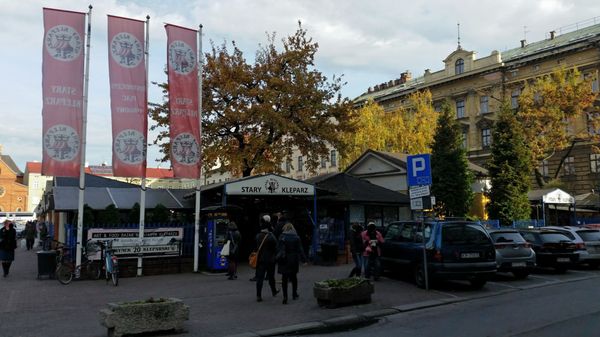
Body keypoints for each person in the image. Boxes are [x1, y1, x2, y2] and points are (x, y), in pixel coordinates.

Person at [276, 223, 307, 304]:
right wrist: (304, 260)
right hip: (293, 259)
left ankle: (285, 297)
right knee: (294, 278)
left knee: (284, 279)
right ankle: (294, 294)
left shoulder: (281, 237)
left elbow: (278, 249)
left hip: (284, 259)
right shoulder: (296, 237)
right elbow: (300, 250)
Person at [255, 220, 279, 302]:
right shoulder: (271, 236)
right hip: (270, 260)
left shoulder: (258, 236)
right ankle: (274, 291)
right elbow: (276, 247)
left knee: (260, 278)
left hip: (261, 259)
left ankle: (258, 295)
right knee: (271, 277)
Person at [250, 214, 272, 282]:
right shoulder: (271, 228)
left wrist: (255, 248)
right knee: (268, 263)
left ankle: (258, 276)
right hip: (269, 249)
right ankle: (268, 276)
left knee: (259, 263)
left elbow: (257, 238)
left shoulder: (261, 228)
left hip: (261, 248)